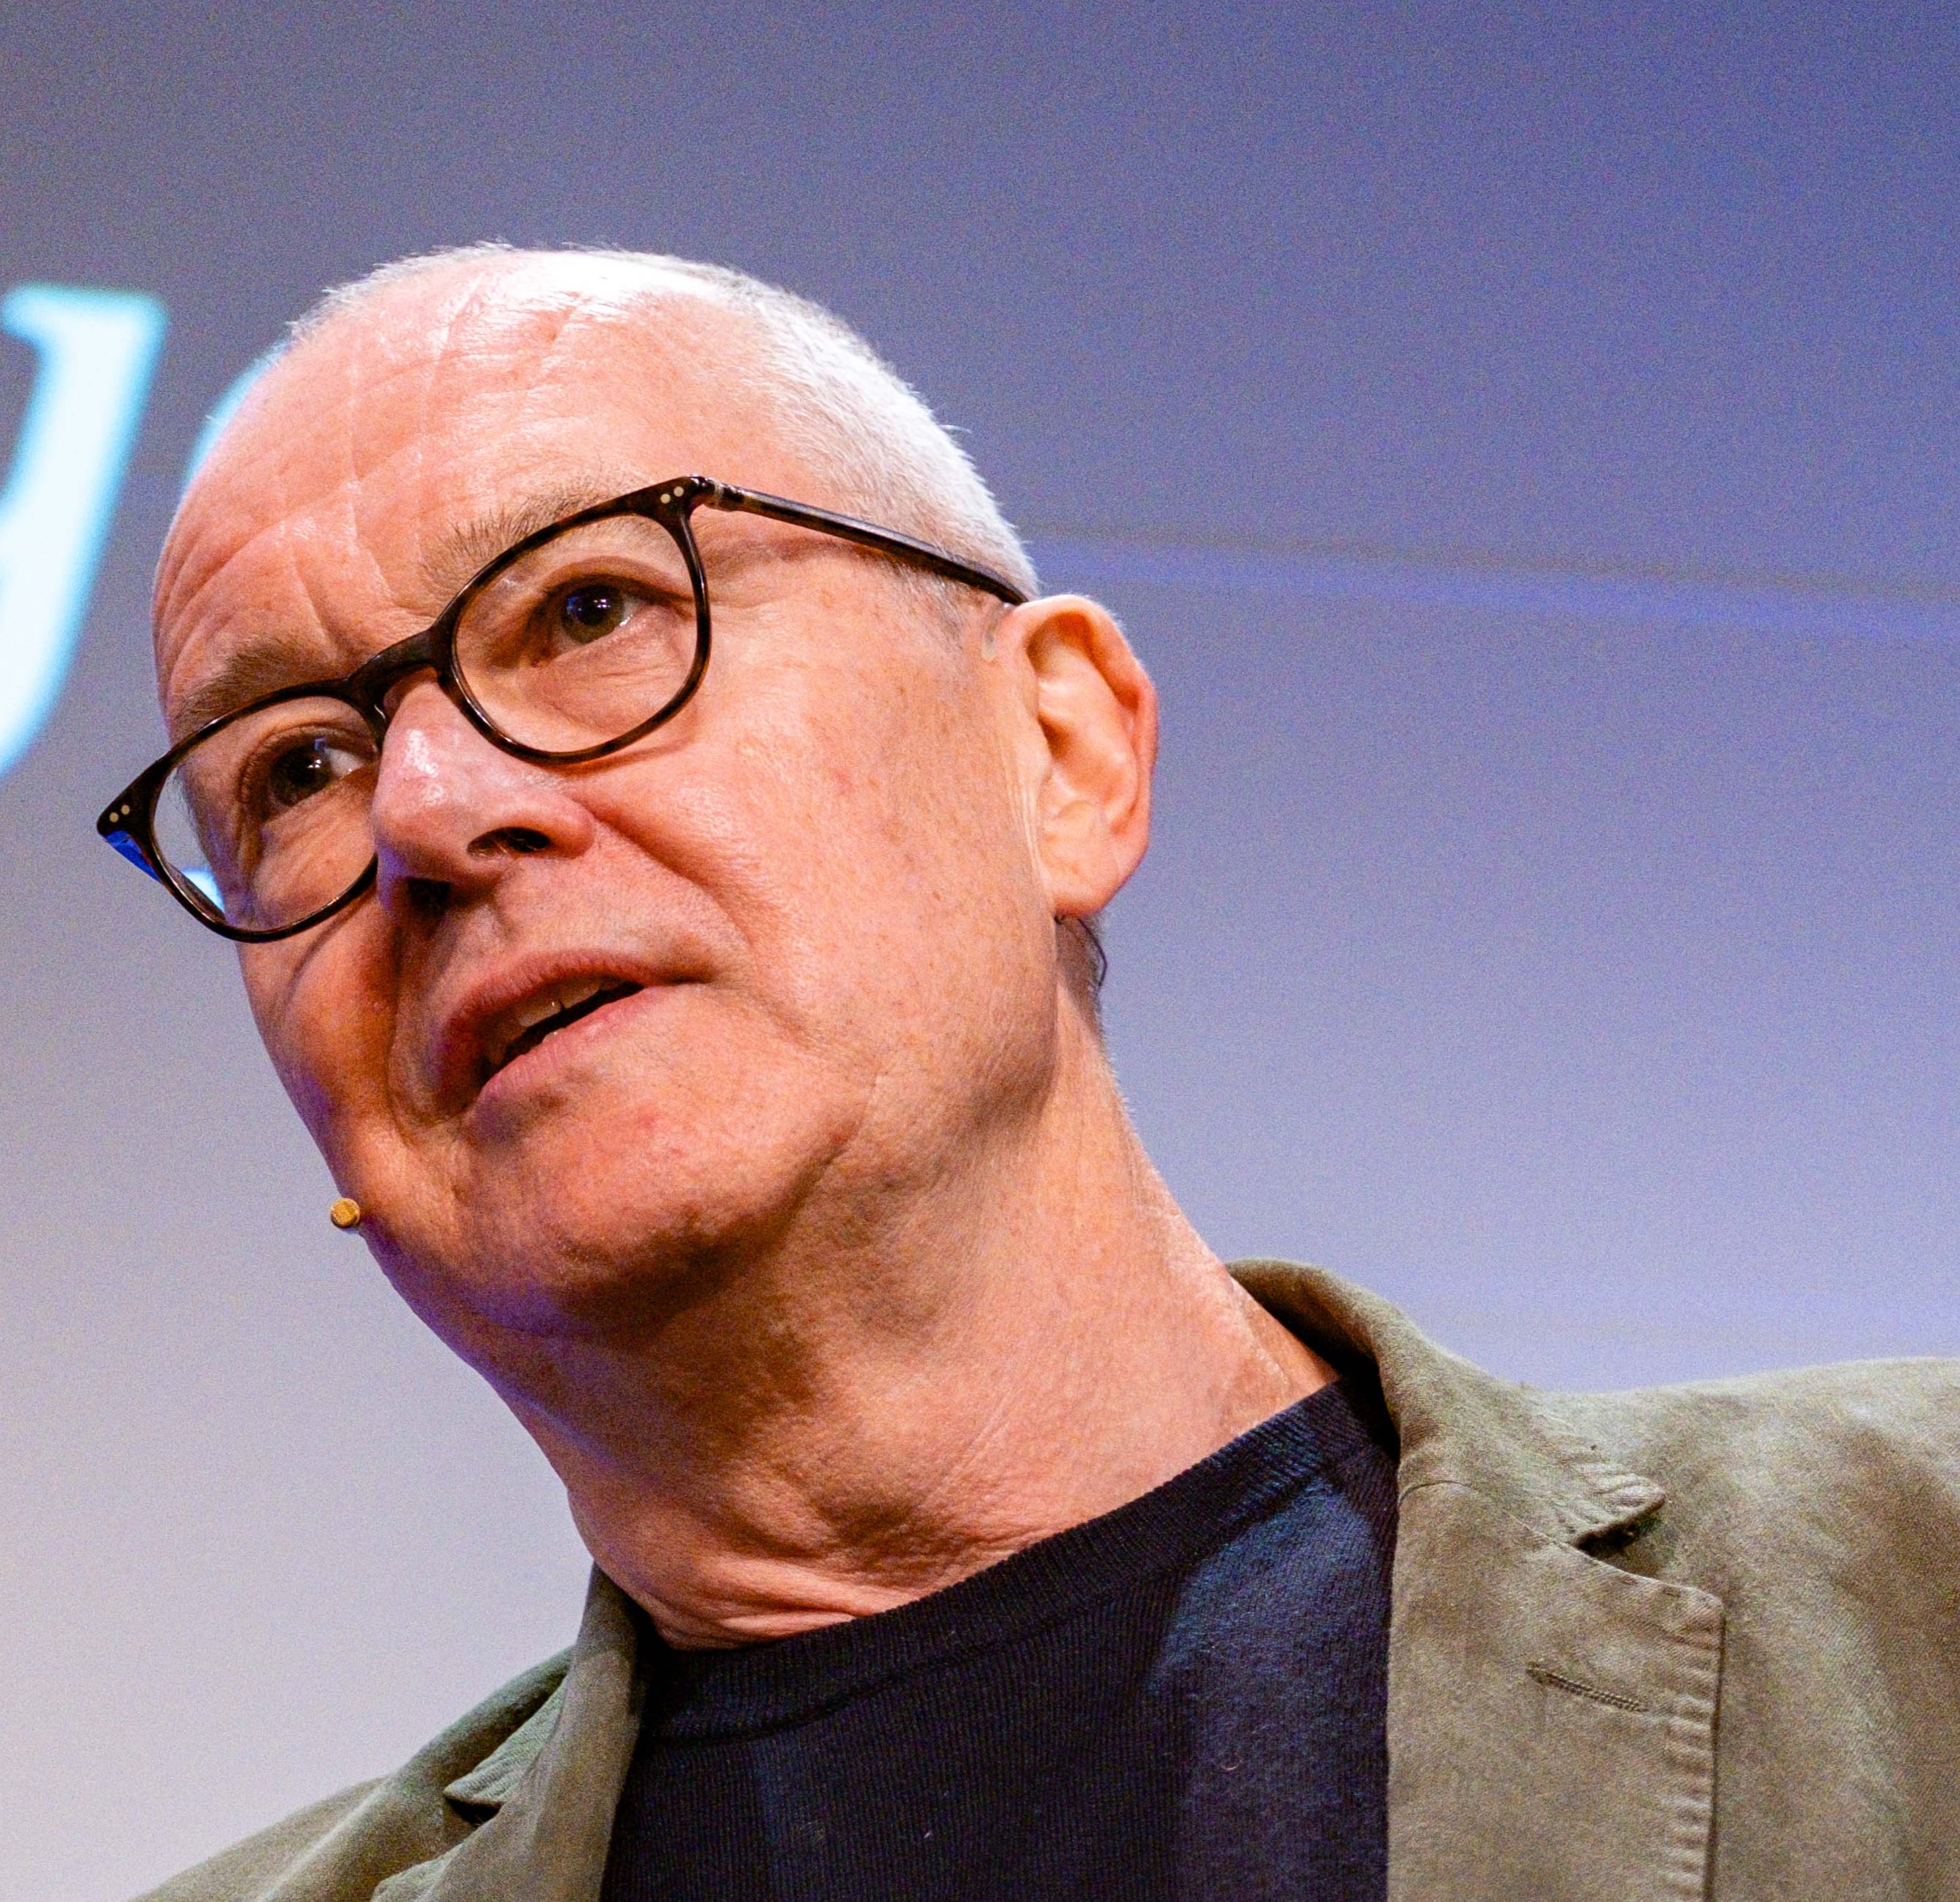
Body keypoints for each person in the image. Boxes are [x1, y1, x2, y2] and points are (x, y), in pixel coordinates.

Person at [98, 245, 1959, 1902]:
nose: (426, 808)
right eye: (292, 773)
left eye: (587, 611)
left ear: (1057, 752)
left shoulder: (1917, 1579)